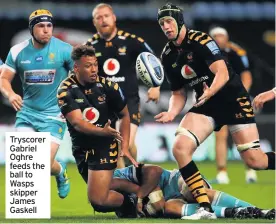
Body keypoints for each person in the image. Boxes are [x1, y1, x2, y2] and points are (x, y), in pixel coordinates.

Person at [155, 3, 276, 220]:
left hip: (232, 99)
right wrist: (172, 112)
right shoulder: (168, 55)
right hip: (206, 104)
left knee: (255, 161)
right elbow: (178, 92)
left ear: (179, 21)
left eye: (169, 21)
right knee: (180, 147)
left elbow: (222, 72)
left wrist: (210, 91)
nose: (165, 26)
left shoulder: (202, 41)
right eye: (162, 23)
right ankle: (205, 208)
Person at [57, 44, 138, 213]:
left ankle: (136, 200)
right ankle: (137, 189)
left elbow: (125, 115)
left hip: (104, 146)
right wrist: (102, 131)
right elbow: (78, 123)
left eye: (95, 64)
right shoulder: (65, 91)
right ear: (76, 67)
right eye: (88, 66)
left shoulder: (108, 86)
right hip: (81, 149)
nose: (94, 69)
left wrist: (124, 147)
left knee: (98, 201)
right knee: (106, 188)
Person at [0, 9, 72, 198]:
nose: (46, 30)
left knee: (44, 164)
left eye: (49, 25)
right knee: (29, 164)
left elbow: (80, 79)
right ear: (32, 29)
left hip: (54, 115)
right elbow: (4, 79)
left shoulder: (65, 50)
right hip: (27, 114)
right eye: (41, 26)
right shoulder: (17, 51)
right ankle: (30, 210)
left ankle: (60, 172)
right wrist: (10, 94)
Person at [86, 3, 160, 168]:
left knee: (121, 143)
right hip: (104, 104)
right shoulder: (89, 46)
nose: (103, 20)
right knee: (119, 146)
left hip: (129, 102)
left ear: (114, 18)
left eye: (106, 16)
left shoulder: (131, 41)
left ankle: (129, 183)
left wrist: (155, 86)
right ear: (94, 22)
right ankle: (134, 176)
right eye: (99, 17)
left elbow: (152, 59)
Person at [112, 164, 275, 220]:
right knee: (170, 209)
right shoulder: (117, 205)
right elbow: (159, 206)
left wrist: (141, 198)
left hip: (175, 180)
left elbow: (154, 171)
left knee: (191, 191)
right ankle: (238, 212)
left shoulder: (119, 175)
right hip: (170, 200)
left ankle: (260, 211)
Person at [209, 26, 256, 184]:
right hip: (219, 98)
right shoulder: (207, 53)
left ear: (226, 38)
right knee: (220, 135)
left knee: (243, 136)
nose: (218, 39)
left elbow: (246, 75)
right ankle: (222, 173)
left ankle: (251, 170)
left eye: (221, 36)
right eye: (215, 36)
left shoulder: (236, 52)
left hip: (236, 97)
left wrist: (242, 94)